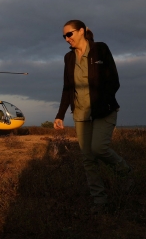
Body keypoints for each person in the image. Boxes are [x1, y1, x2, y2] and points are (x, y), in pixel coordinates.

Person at [53, 20, 132, 214]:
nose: (66, 39)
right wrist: (60, 114)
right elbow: (67, 87)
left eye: (69, 34)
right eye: (64, 36)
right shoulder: (68, 58)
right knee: (87, 158)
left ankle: (125, 172)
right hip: (80, 113)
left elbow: (114, 80)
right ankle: (99, 201)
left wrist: (104, 102)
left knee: (99, 148)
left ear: (81, 31)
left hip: (103, 110)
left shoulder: (100, 49)